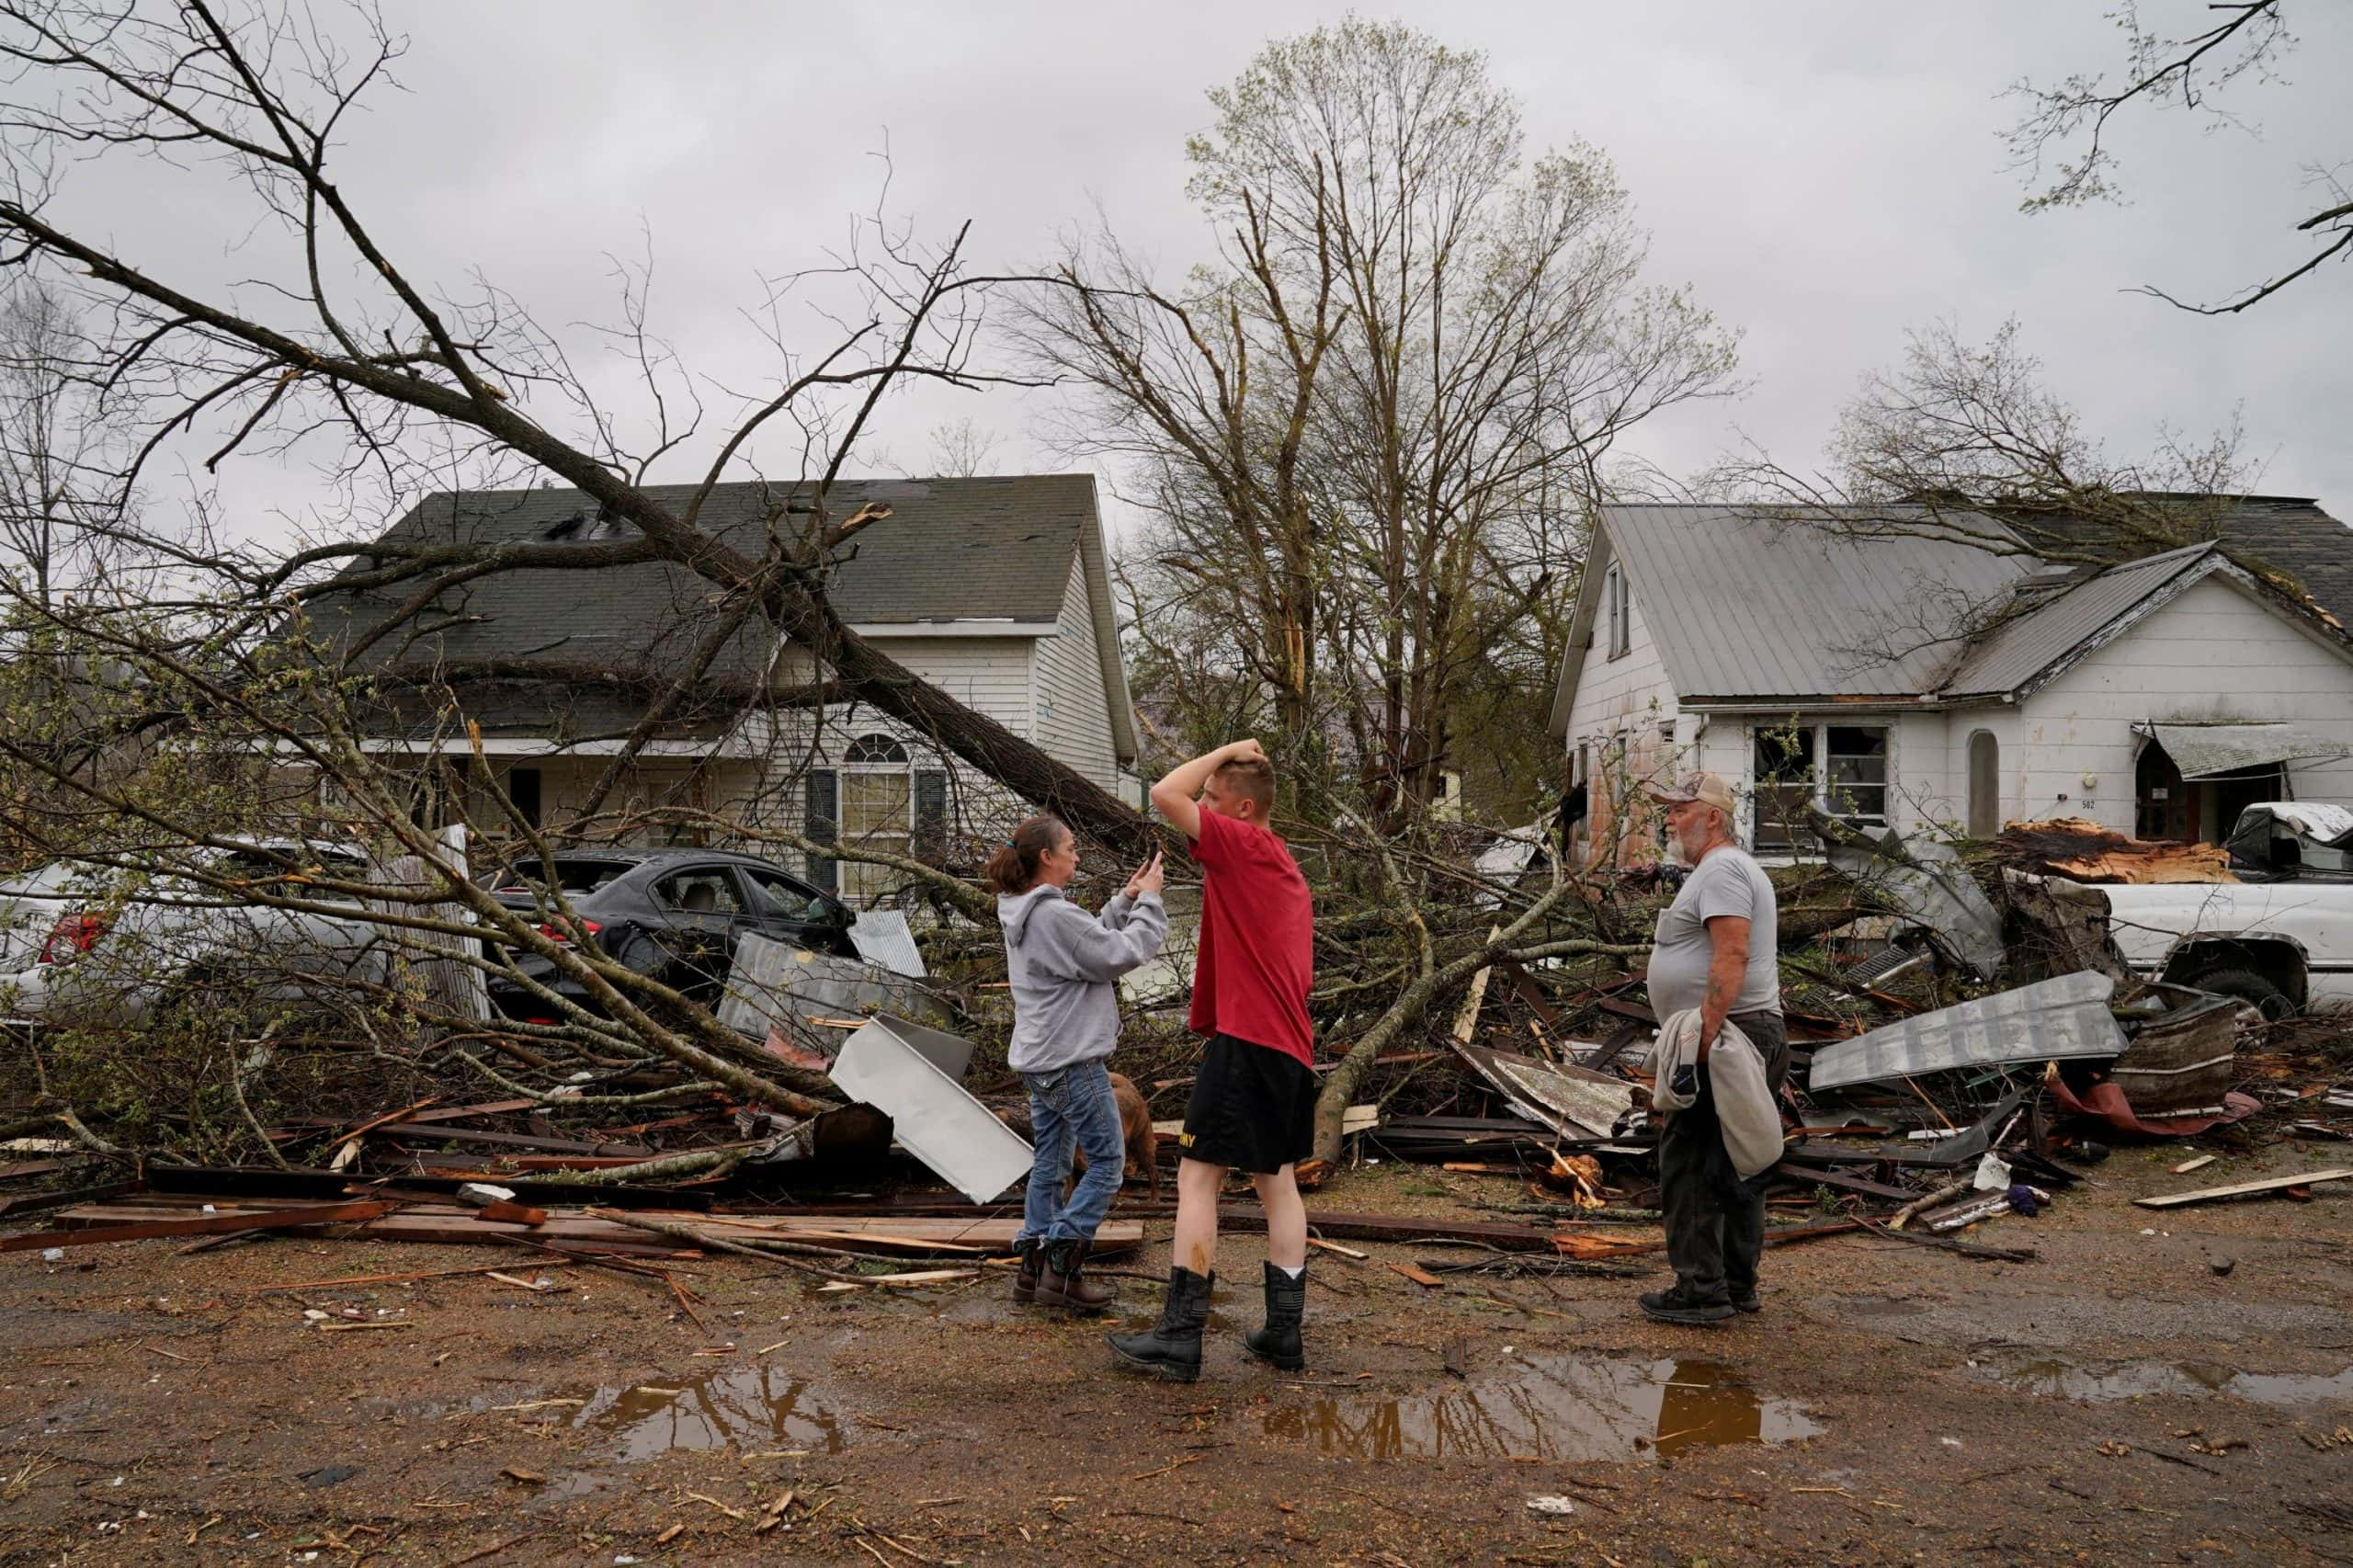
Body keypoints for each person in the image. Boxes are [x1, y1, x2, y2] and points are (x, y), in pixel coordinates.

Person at [1109, 739, 1315, 1381]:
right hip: (1287, 1047)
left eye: (1215, 800)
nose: (1202, 807)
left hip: (1250, 1042)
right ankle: (1284, 1334)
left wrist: (1228, 749)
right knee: (1276, 1182)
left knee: (1198, 1180)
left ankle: (1180, 1335)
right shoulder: (1279, 859)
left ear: (1243, 808)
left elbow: (1164, 793)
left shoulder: (1246, 844)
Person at [987, 815, 1168, 1314]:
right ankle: (1061, 1268)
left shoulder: (1026, 908)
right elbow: (1119, 953)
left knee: (1049, 1164)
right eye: (1071, 847)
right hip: (1071, 1063)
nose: (1078, 854)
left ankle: (1032, 1268)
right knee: (1108, 1165)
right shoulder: (1051, 915)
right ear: (1047, 857)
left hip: (1040, 1061)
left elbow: (1084, 946)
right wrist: (1151, 901)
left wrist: (1125, 901)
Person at [1638, 770, 1788, 1325]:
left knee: (1692, 1160)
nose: (1670, 820)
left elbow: (1732, 955)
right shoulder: (1725, 870)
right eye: (1669, 811)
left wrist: (1703, 1038)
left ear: (1713, 816)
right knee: (1736, 1161)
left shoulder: (1723, 869)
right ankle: (1735, 1285)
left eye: (1680, 810)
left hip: (1729, 1037)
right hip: (1744, 1031)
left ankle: (1703, 1292)